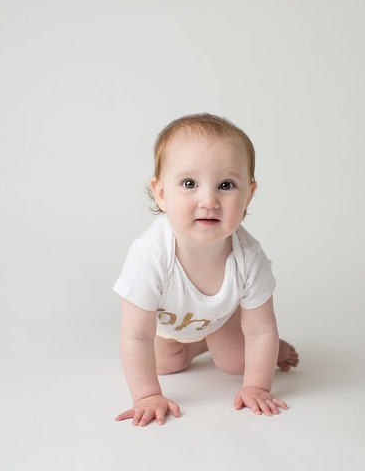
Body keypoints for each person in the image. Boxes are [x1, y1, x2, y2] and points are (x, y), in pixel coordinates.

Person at [113, 113, 299, 427]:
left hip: (221, 319)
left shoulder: (248, 256)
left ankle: (246, 346)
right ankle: (196, 344)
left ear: (248, 195)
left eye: (226, 185)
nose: (209, 200)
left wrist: (257, 387)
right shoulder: (150, 254)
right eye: (189, 184)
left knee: (235, 362)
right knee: (162, 364)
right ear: (161, 193)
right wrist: (147, 396)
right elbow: (136, 336)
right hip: (169, 327)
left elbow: (260, 330)